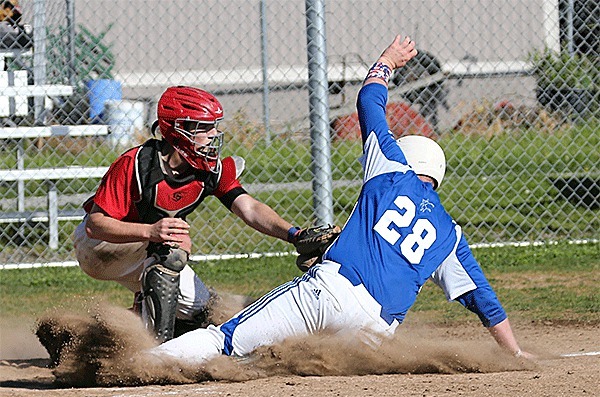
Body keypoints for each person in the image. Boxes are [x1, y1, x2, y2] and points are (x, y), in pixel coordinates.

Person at [150, 35, 535, 365]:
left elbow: (369, 101)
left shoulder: (392, 171)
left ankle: (145, 365)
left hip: (332, 291)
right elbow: (484, 300)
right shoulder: (450, 235)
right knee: (286, 357)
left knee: (226, 340)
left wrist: (386, 62)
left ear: (407, 156)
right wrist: (514, 352)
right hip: (372, 338)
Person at [73, 86, 311, 343]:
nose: (215, 134)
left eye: (215, 127)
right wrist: (150, 232)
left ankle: (105, 335)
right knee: (172, 246)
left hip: (148, 246)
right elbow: (95, 225)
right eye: (205, 128)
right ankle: (156, 353)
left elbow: (250, 209)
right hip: (101, 245)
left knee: (202, 310)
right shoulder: (138, 164)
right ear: (179, 130)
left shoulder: (208, 169)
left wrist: (294, 235)